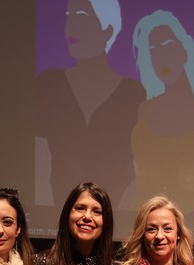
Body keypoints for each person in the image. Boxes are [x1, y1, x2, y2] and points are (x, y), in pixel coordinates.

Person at [35, 0, 145, 207]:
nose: (71, 27)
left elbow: (137, 166)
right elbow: (38, 156)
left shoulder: (133, 92)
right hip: (56, 211)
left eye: (82, 16)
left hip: (118, 213)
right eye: (69, 17)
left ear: (107, 30)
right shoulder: (50, 82)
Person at [125, 10, 194, 211]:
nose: (161, 57)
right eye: (153, 50)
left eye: (168, 46)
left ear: (183, 51)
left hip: (193, 217)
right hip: (145, 219)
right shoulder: (145, 110)